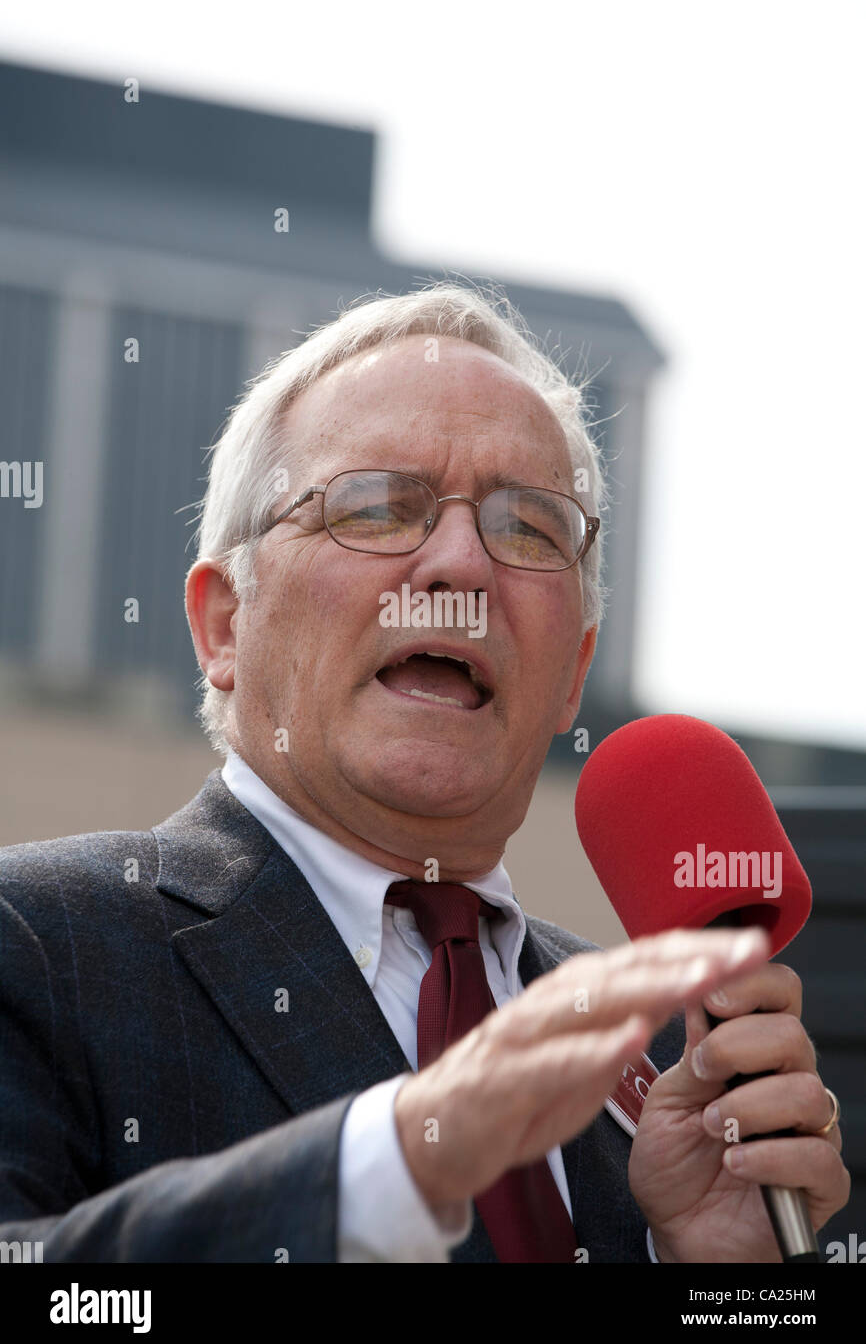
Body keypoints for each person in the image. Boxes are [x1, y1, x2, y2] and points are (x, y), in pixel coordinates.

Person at [0, 284, 848, 1263]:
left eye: (527, 526)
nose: (459, 563)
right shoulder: (40, 949)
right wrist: (395, 1161)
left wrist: (712, 1275)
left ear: (573, 670)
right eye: (375, 505)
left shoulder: (670, 1061)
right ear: (224, 624)